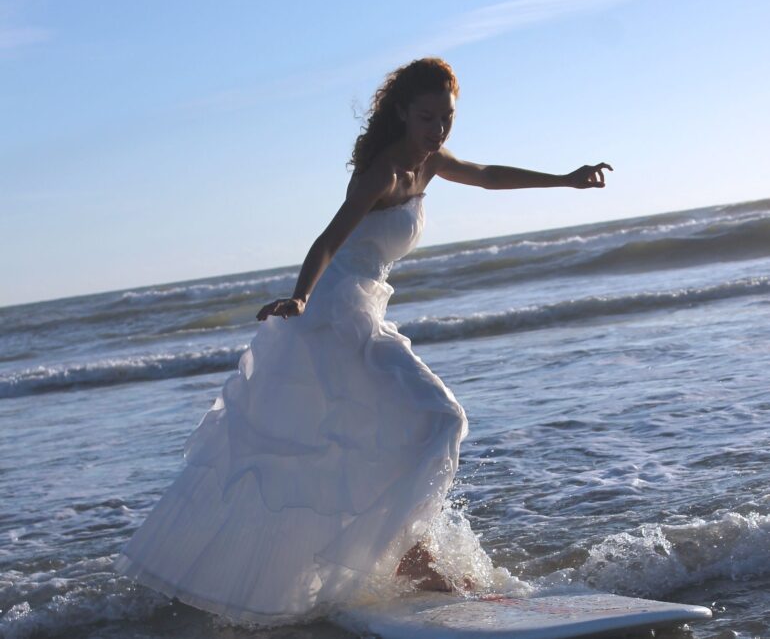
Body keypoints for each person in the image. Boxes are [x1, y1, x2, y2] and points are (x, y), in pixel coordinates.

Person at [114, 57, 611, 625]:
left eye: (446, 119)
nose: (437, 130)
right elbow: (328, 240)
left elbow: (487, 174)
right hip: (336, 315)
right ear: (402, 113)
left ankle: (404, 553)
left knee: (392, 434)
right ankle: (407, 557)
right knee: (438, 419)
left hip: (365, 310)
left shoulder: (431, 163)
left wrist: (566, 180)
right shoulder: (383, 173)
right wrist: (300, 298)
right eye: (427, 118)